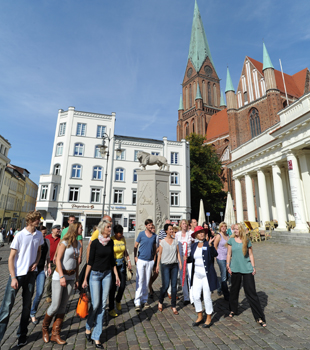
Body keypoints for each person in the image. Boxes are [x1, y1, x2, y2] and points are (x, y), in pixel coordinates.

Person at [0, 211, 43, 347]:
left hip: (30, 275)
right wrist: (13, 277)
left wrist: (36, 262)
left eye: (38, 219)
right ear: (30, 221)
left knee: (26, 307)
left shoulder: (39, 234)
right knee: (6, 308)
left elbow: (39, 251)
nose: (38, 221)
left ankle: (22, 336)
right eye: (36, 219)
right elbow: (11, 258)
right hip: (17, 275)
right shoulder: (19, 235)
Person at [82, 219, 120, 349]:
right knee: (96, 303)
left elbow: (112, 261)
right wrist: (85, 278)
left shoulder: (111, 243)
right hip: (95, 275)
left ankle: (96, 336)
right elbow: (90, 262)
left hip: (107, 275)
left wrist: (116, 275)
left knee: (103, 305)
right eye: (109, 227)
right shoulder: (95, 243)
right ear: (103, 229)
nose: (111, 229)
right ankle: (88, 326)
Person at [42, 222, 81, 344]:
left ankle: (55, 334)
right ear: (75, 229)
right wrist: (61, 276)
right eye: (80, 228)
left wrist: (77, 278)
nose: (82, 229)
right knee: (55, 305)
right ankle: (44, 328)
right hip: (59, 276)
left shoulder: (78, 244)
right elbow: (57, 260)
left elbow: (76, 263)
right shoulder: (64, 242)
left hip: (71, 276)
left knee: (64, 305)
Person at [226, 223, 266, 327]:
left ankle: (259, 317)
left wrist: (253, 266)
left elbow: (251, 254)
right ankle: (233, 309)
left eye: (237, 229)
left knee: (251, 293)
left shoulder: (247, 240)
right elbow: (229, 254)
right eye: (234, 229)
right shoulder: (231, 241)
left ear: (241, 230)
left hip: (247, 269)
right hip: (235, 268)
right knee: (234, 290)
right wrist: (227, 265)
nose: (235, 231)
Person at [190, 226, 218, 328]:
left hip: (207, 275)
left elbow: (215, 254)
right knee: (195, 296)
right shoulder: (194, 246)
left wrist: (211, 246)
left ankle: (209, 317)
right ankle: (200, 316)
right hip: (196, 275)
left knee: (206, 297)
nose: (201, 234)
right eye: (199, 233)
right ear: (196, 235)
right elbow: (191, 258)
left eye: (202, 232)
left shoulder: (208, 244)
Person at [156, 223, 182, 315]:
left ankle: (174, 306)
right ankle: (160, 301)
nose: (172, 231)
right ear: (166, 231)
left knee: (174, 286)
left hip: (174, 265)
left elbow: (178, 253)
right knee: (166, 285)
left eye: (172, 230)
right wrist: (157, 265)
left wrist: (180, 263)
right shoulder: (162, 242)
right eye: (170, 229)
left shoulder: (175, 241)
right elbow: (159, 254)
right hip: (165, 265)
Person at [108, 224, 132, 317]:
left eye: (122, 232)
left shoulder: (123, 239)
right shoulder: (111, 240)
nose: (121, 234)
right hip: (113, 264)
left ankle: (118, 300)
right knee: (113, 288)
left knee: (122, 285)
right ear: (115, 233)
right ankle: (111, 308)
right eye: (120, 233)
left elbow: (125, 250)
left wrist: (129, 260)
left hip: (121, 263)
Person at [134, 219, 157, 312]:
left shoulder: (154, 236)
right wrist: (135, 257)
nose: (151, 226)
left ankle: (145, 299)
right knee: (140, 280)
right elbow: (135, 246)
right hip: (141, 260)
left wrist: (154, 259)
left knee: (147, 281)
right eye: (149, 225)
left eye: (152, 225)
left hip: (149, 261)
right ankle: (137, 302)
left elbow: (155, 248)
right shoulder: (141, 234)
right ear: (146, 226)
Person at [30, 225, 52, 325]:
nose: (45, 235)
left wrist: (49, 266)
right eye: (43, 233)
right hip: (31, 269)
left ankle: (33, 312)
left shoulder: (47, 241)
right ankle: (27, 313)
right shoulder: (34, 241)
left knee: (39, 292)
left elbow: (48, 256)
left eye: (46, 233)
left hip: (41, 269)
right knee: (29, 293)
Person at [175, 219, 193, 305]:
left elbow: (194, 243)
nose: (185, 225)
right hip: (180, 258)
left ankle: (192, 297)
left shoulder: (190, 234)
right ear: (180, 225)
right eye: (183, 224)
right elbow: (175, 246)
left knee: (190, 277)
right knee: (183, 277)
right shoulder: (177, 235)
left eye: (186, 223)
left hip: (189, 258)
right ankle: (186, 297)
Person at [45, 224, 61, 303]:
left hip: (55, 262)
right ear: (53, 230)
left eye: (59, 229)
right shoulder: (47, 237)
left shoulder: (60, 239)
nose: (58, 230)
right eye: (57, 229)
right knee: (45, 278)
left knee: (51, 279)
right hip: (46, 261)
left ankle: (49, 295)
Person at [214, 222, 230, 301]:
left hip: (227, 258)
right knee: (224, 275)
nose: (223, 228)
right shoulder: (218, 236)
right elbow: (215, 246)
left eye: (225, 226)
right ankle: (226, 294)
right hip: (220, 258)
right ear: (220, 228)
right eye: (222, 226)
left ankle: (220, 288)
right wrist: (216, 255)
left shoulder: (227, 235)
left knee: (227, 275)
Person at [148, 224, 159, 298]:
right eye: (152, 228)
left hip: (155, 256)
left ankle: (149, 285)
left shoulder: (156, 236)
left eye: (154, 228)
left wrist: (156, 251)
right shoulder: (147, 236)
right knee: (148, 274)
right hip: (149, 257)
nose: (153, 230)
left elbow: (158, 246)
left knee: (156, 273)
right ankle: (150, 290)